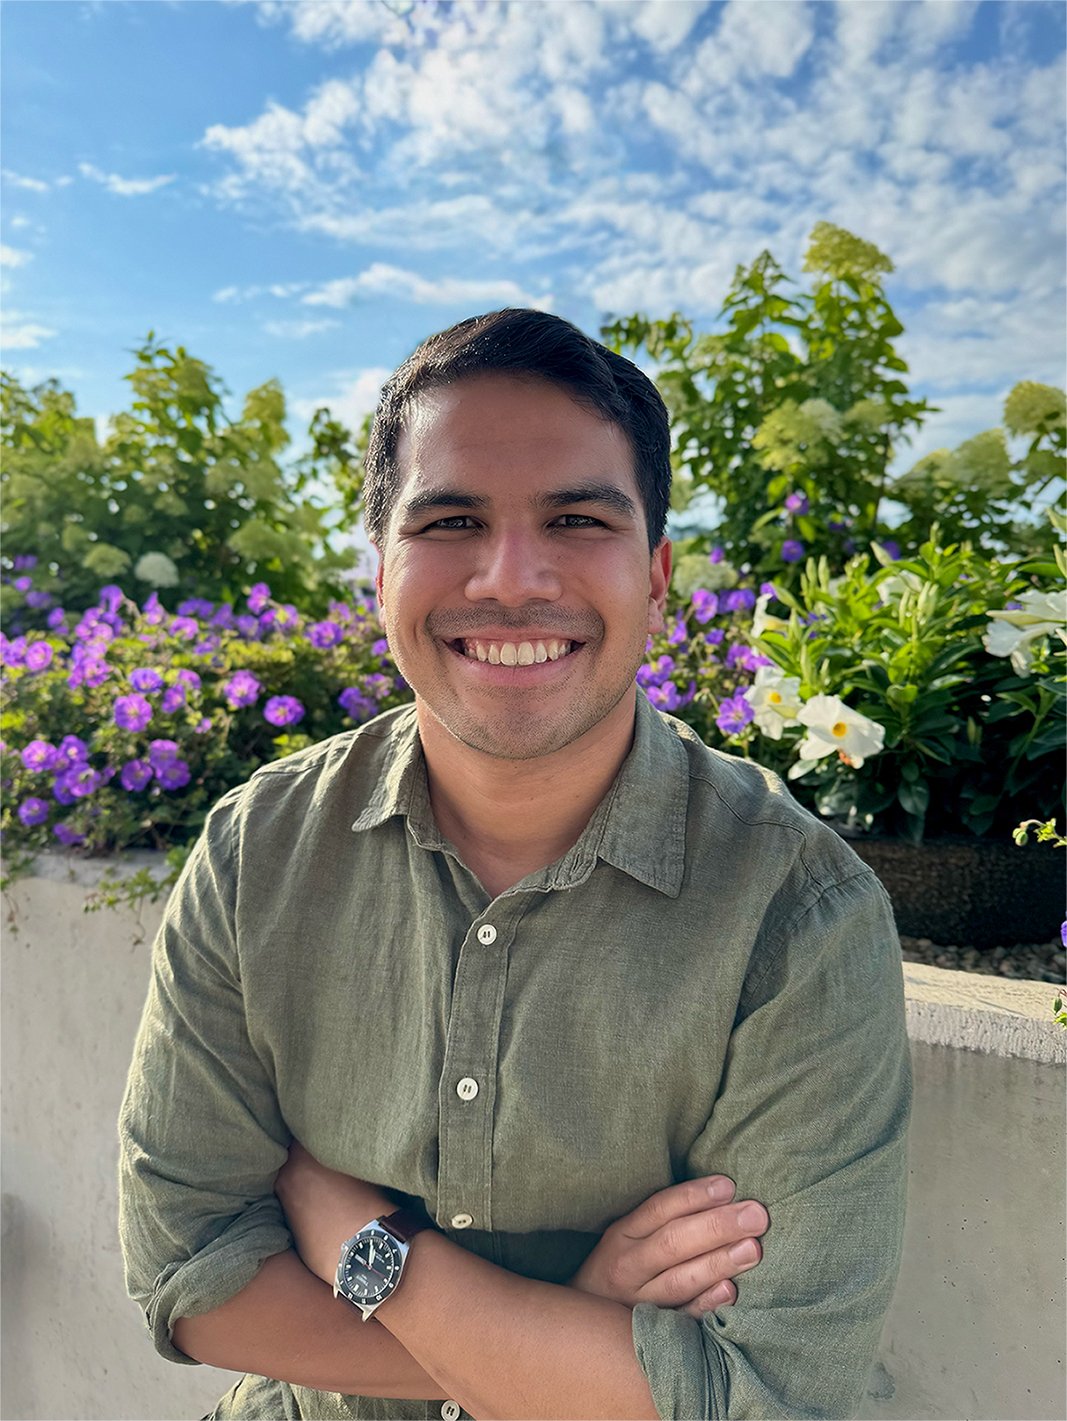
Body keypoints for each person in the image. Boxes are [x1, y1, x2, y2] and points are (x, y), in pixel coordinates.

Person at [119, 309, 911, 1421]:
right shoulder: (261, 851)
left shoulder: (794, 911)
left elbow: (762, 1388)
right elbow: (188, 1274)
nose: (509, 576)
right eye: (449, 519)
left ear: (658, 572)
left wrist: (353, 1230)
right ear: (380, 567)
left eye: (576, 517)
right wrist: (543, 1338)